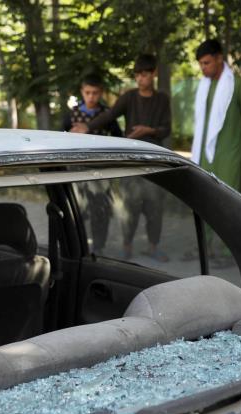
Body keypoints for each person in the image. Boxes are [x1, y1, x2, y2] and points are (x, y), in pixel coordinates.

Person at [71, 54, 172, 261]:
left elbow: (166, 129)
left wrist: (148, 130)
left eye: (145, 74)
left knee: (154, 205)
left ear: (153, 74)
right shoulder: (129, 97)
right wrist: (87, 127)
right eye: (138, 75)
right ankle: (127, 247)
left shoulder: (162, 99)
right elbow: (109, 115)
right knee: (130, 204)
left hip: (155, 159)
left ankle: (154, 246)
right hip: (132, 158)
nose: (141, 79)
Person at [64, 73, 122, 255]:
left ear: (101, 93)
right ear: (82, 91)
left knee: (101, 212)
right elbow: (59, 139)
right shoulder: (71, 115)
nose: (91, 97)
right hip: (76, 172)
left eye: (95, 93)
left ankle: (99, 247)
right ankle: (76, 248)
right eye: (87, 92)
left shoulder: (107, 115)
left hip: (101, 174)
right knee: (76, 210)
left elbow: (119, 139)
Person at [191, 39, 241, 193]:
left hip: (230, 158)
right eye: (201, 64)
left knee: (230, 202)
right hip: (204, 157)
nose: (203, 68)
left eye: (206, 63)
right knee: (206, 200)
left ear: (219, 58)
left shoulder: (238, 85)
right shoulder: (203, 87)